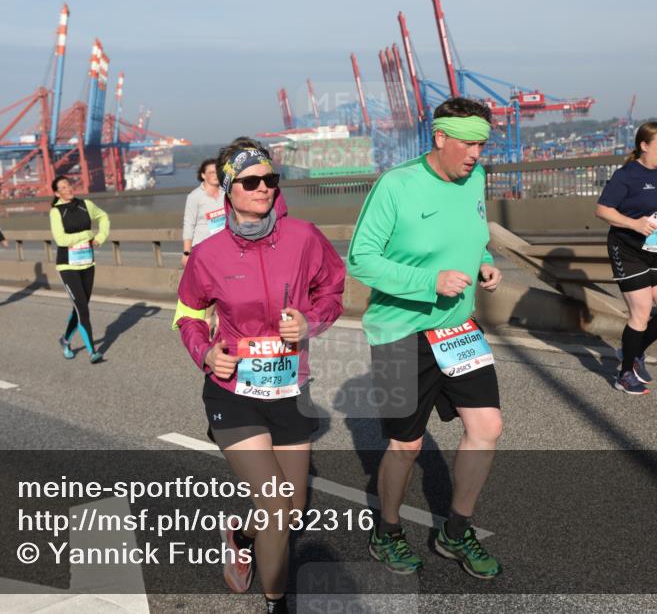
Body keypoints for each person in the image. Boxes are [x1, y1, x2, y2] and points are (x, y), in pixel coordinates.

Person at [174, 138, 345, 613]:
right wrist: (206, 353)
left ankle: (239, 536)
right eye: (251, 181)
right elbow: (187, 314)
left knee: (293, 512)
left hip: (291, 389)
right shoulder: (209, 254)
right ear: (229, 189)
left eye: (271, 179)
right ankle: (278, 604)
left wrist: (312, 321)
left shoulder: (304, 237)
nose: (264, 188)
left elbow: (333, 289)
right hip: (233, 393)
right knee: (274, 507)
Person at [347, 97, 504, 580]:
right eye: (470, 143)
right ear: (441, 138)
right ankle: (387, 532)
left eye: (483, 144)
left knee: (487, 428)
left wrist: (482, 262)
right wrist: (428, 282)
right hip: (399, 333)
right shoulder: (396, 185)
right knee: (406, 446)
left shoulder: (473, 178)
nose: (477, 154)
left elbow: (471, 233)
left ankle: (456, 532)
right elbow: (360, 258)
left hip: (458, 330)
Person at [595, 122, 657, 395]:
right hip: (628, 249)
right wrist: (633, 224)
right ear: (644, 146)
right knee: (641, 314)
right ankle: (624, 374)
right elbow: (602, 210)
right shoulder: (626, 175)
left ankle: (632, 351)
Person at [49, 176, 110, 364]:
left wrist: (101, 237)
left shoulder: (86, 204)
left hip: (87, 264)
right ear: (57, 193)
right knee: (82, 308)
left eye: (69, 185)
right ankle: (93, 352)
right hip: (67, 266)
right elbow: (61, 240)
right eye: (63, 187)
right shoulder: (56, 211)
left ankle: (65, 340)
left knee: (80, 308)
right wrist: (87, 235)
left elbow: (103, 217)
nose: (68, 189)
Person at [182, 158, 226, 266]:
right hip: (202, 248)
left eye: (217, 171)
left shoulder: (226, 193)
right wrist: (186, 253)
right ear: (203, 175)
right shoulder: (194, 196)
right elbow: (189, 224)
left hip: (224, 246)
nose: (215, 175)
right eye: (211, 172)